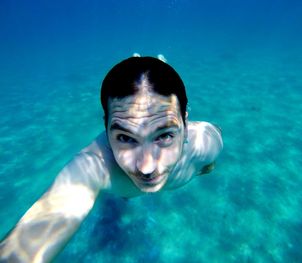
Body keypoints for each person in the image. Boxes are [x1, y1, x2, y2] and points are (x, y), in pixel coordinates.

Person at [0, 55, 223, 262]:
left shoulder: (206, 144)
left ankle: (151, 63)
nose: (146, 168)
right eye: (125, 137)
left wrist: (207, 166)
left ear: (185, 124)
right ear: (106, 129)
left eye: (164, 135)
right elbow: (38, 229)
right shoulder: (94, 165)